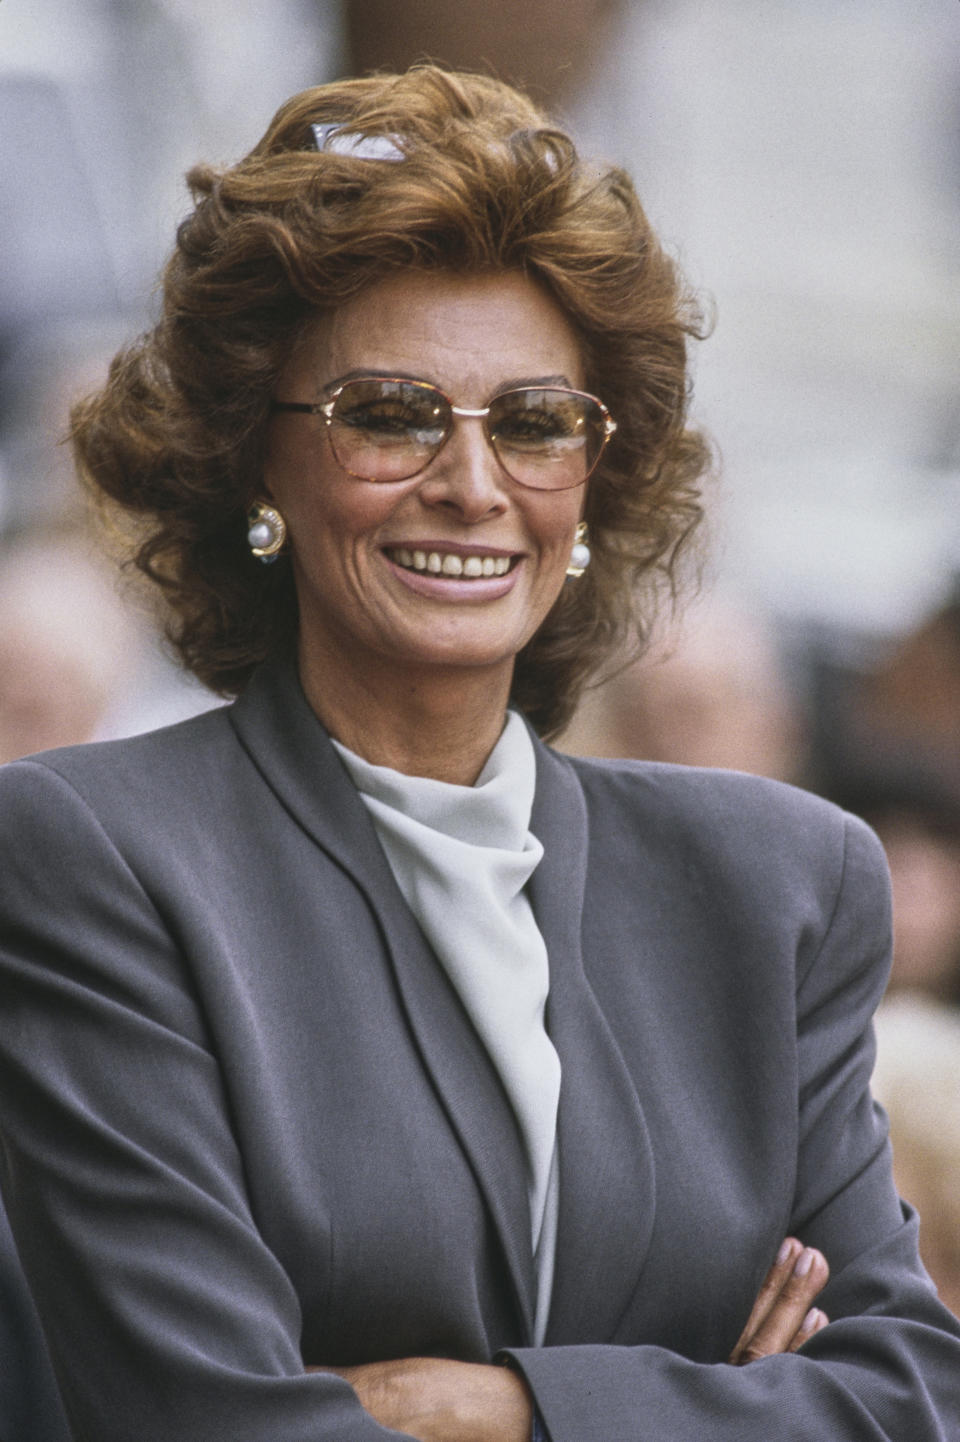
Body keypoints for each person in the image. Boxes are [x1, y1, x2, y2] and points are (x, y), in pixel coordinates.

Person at [0, 66, 957, 1442]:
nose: (471, 480)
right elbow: (206, 1420)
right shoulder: (92, 855)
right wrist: (713, 1402)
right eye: (388, 413)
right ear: (254, 464)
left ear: (592, 480)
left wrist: (499, 1405)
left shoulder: (776, 879)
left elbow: (908, 1393)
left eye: (533, 421)